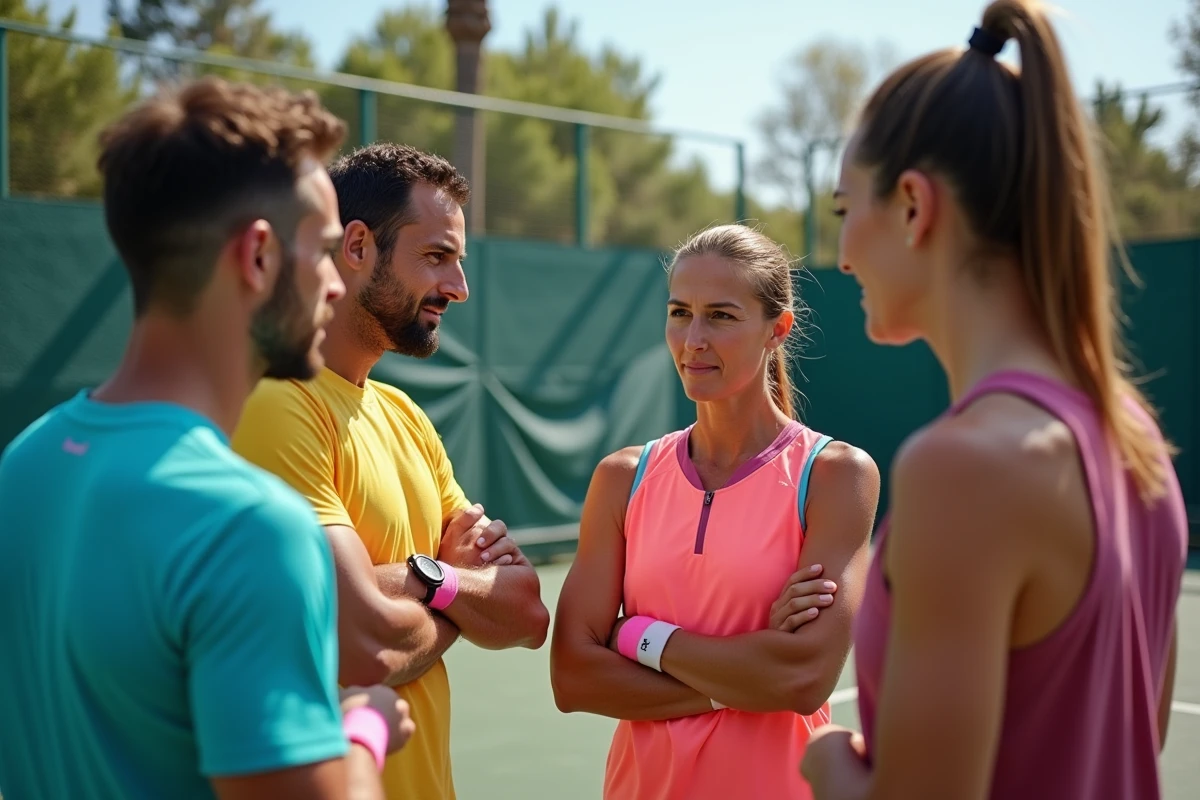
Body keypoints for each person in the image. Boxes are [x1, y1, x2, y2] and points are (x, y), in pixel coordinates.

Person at [799, 2, 1190, 798]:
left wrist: (829, 761)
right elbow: (1127, 736)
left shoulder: (962, 467)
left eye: (846, 211)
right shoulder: (1134, 435)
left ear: (913, 205)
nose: (841, 254)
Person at [0, 77, 417, 800]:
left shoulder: (24, 464)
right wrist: (364, 728)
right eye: (321, 250)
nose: (334, 285)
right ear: (257, 257)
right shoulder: (251, 527)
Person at [231, 141, 551, 800]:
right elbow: (362, 646)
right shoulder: (274, 403)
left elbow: (524, 612)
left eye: (458, 261)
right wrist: (455, 587)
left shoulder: (406, 416)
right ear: (355, 246)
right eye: (436, 257)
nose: (458, 288)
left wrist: (410, 584)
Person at [549, 223, 881, 800]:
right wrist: (747, 675)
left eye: (721, 316)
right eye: (680, 312)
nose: (693, 339)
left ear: (777, 329)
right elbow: (573, 677)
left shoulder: (836, 475)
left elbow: (801, 677)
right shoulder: (622, 478)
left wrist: (638, 637)